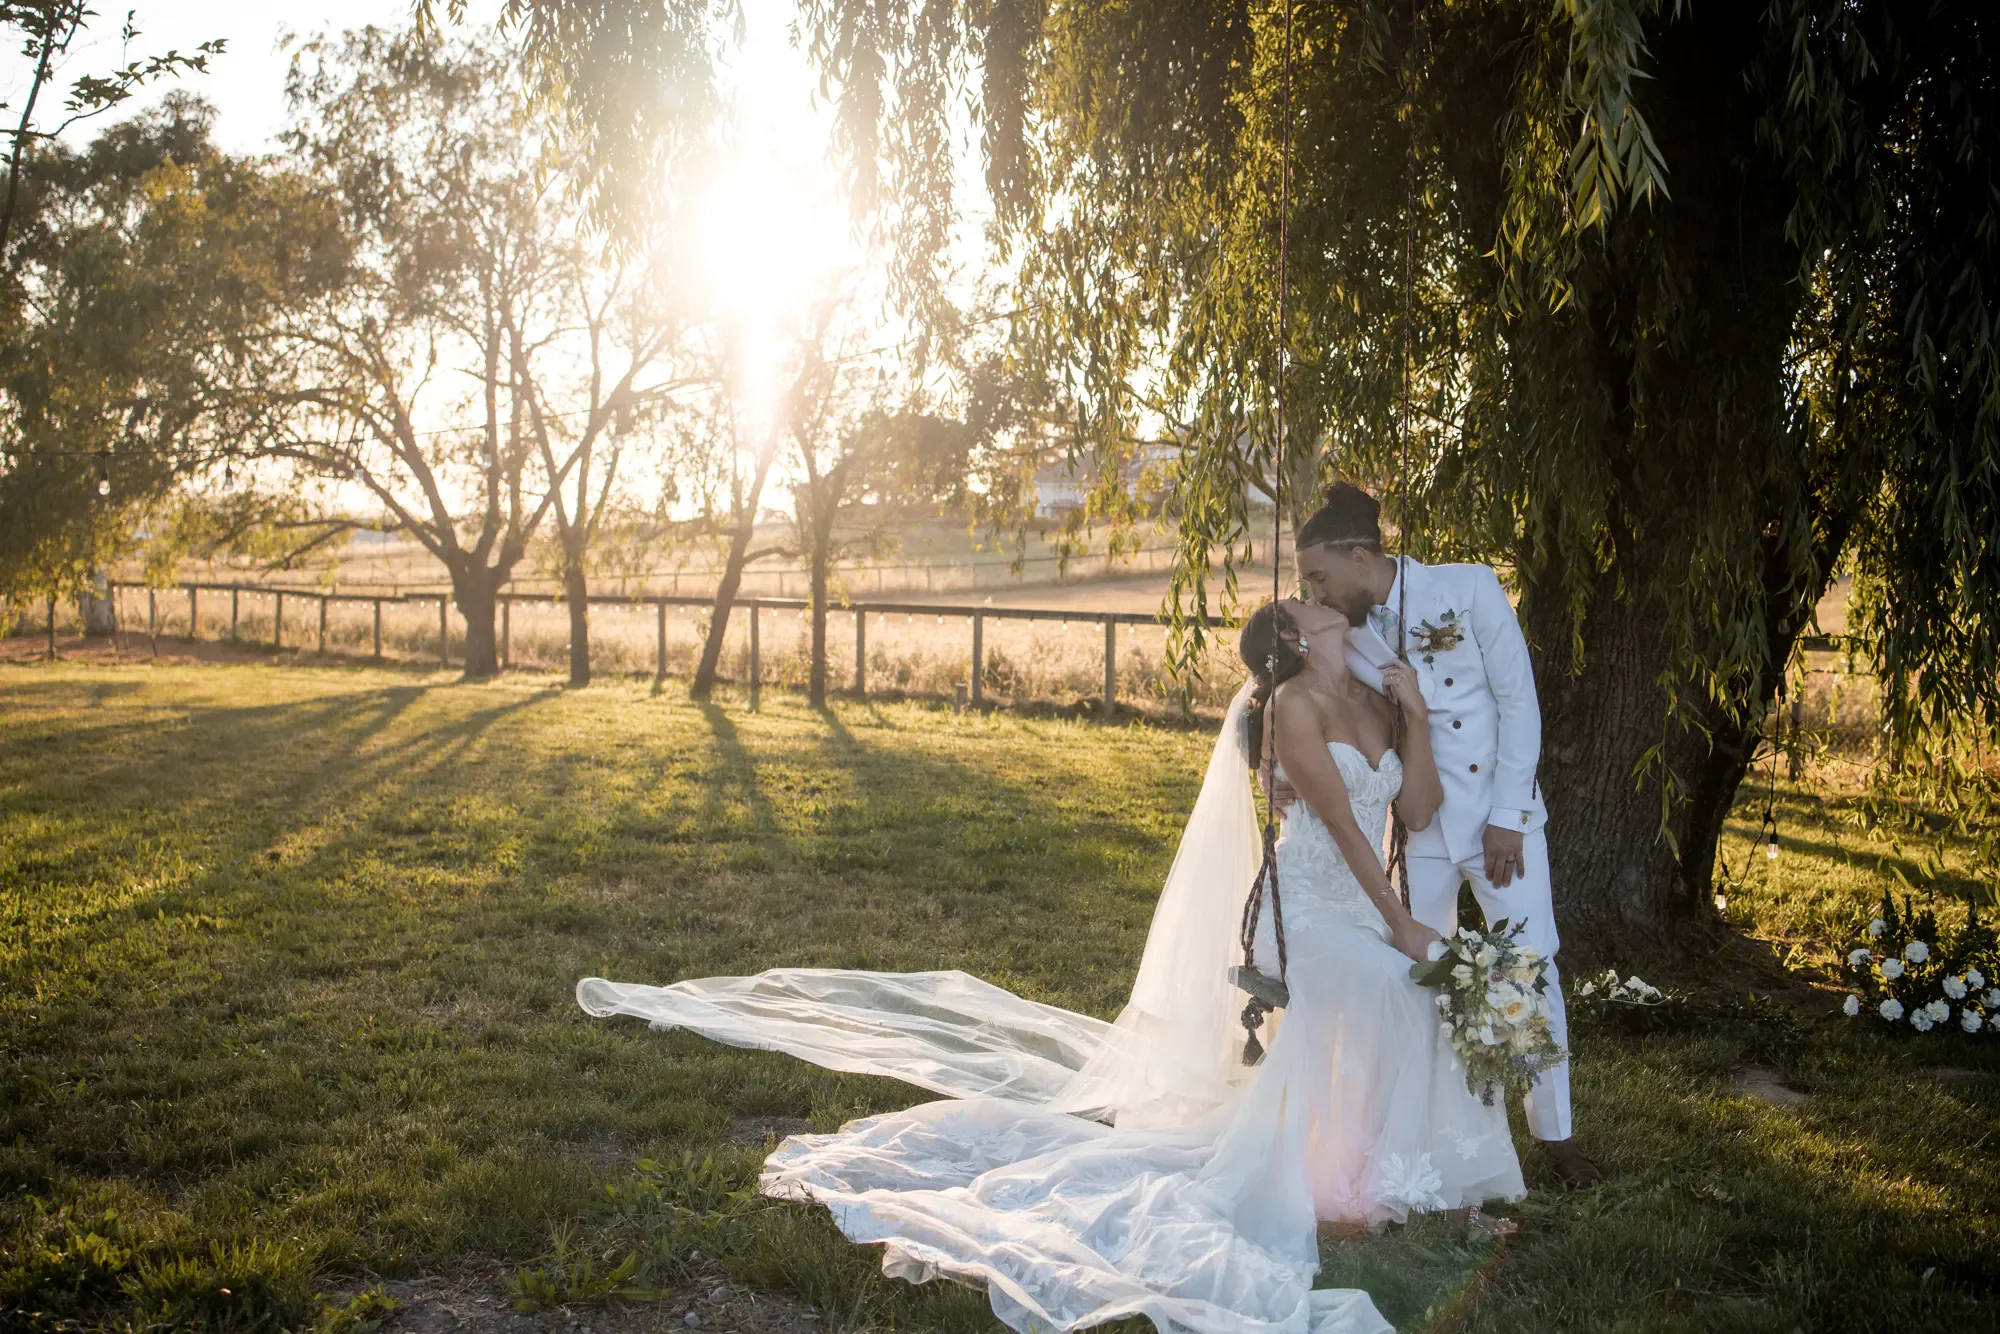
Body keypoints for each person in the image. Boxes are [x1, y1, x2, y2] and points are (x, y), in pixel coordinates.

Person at [574, 596, 1525, 1334]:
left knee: (1415, 988)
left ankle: (1402, 1172)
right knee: (1402, 981)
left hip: (1367, 904)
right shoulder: (1290, 705)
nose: (1326, 604)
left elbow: (1411, 815)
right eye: (1311, 602)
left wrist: (1414, 718)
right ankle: (1382, 1176)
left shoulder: (1371, 693)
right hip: (1314, 912)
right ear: (1292, 632)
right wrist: (1402, 924)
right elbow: (1353, 837)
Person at [1285, 480, 1601, 1188]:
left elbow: (1518, 702)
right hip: (1421, 823)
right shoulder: (1349, 630)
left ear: (1363, 558)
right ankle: (1433, 1130)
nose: (1318, 593)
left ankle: (1557, 1136)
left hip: (1502, 822)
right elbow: (1289, 667)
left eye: (1322, 577)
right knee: (1420, 977)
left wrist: (1508, 817)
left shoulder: (1470, 588)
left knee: (1530, 967)